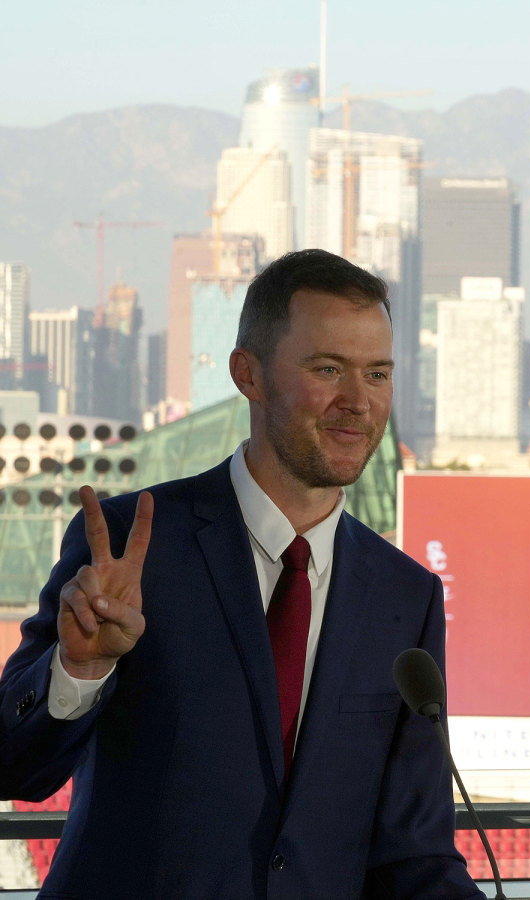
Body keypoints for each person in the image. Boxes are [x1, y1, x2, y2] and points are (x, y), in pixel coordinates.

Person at [0, 249, 484, 898]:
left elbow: (414, 854)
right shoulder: (130, 546)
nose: (358, 401)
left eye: (377, 374)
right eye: (328, 369)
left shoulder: (406, 595)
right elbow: (14, 768)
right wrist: (80, 669)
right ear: (247, 375)